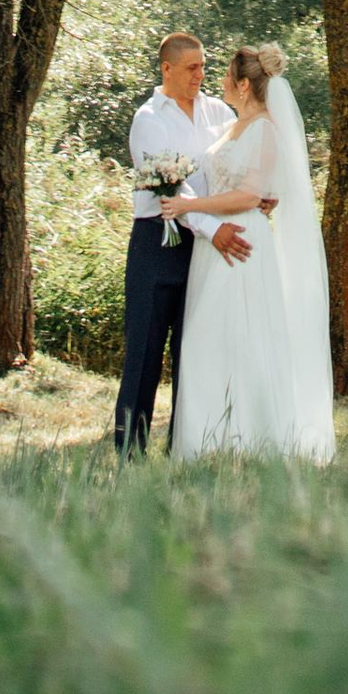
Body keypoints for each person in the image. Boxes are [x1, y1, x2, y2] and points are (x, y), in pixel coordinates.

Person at [161, 41, 335, 462]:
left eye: (225, 75)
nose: (218, 81)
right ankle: (207, 443)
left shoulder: (265, 129)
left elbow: (250, 194)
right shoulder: (232, 126)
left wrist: (189, 206)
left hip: (242, 241)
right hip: (212, 245)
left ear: (242, 85)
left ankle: (254, 440)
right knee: (208, 341)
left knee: (245, 340)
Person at [114, 28, 239, 458]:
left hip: (205, 249)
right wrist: (212, 228)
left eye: (203, 66)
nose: (200, 75)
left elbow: (238, 160)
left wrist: (258, 193)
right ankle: (129, 452)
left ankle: (186, 449)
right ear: (166, 69)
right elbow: (170, 190)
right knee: (145, 351)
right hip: (158, 242)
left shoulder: (219, 112)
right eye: (191, 68)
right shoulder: (149, 119)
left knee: (195, 349)